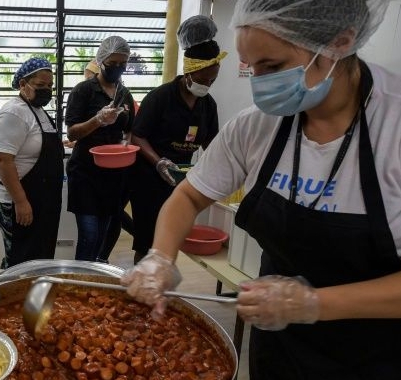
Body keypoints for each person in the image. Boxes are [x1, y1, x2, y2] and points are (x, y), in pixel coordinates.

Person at [121, 1, 401, 378]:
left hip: (377, 355)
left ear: (340, 41)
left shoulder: (394, 127)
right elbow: (189, 196)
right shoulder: (257, 126)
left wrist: (313, 303)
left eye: (272, 67)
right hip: (278, 345)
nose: (259, 85)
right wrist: (160, 258)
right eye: (251, 68)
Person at [129, 15, 225, 263]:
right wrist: (159, 161)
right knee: (148, 241)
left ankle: (159, 283)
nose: (207, 85)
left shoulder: (208, 104)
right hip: (150, 178)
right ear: (189, 72)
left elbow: (210, 141)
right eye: (203, 80)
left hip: (181, 180)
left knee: (170, 239)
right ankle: (140, 287)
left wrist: (221, 167)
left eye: (213, 81)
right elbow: (137, 135)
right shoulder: (161, 98)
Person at [0, 57, 64, 268]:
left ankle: (31, 294)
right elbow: (3, 160)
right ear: (23, 84)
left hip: (40, 199)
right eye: (40, 85)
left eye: (49, 85)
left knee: (37, 256)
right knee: (20, 258)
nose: (47, 90)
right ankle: (12, 296)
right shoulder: (14, 112)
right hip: (15, 200)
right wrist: (21, 202)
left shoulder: (37, 111)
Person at [65, 36, 135, 262]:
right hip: (85, 174)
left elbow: (130, 130)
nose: (118, 68)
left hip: (113, 175)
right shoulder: (83, 91)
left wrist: (126, 145)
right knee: (89, 235)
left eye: (122, 64)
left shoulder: (124, 93)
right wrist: (97, 119)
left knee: (103, 235)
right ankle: (78, 284)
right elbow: (72, 133)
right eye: (113, 63)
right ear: (101, 60)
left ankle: (94, 282)